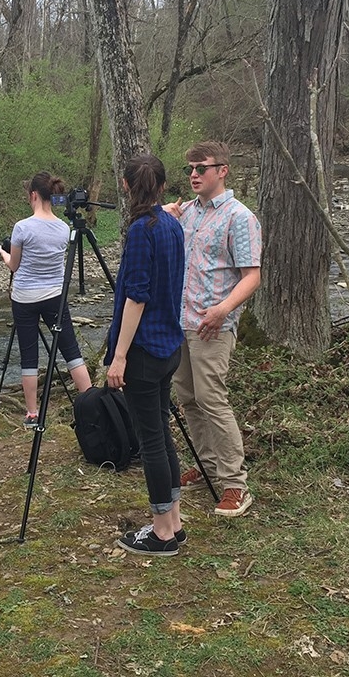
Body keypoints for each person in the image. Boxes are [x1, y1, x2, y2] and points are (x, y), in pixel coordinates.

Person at [166, 141, 262, 517]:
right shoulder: (187, 212)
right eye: (190, 168)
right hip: (181, 322)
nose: (193, 174)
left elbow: (252, 276)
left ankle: (235, 483)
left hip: (213, 326)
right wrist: (166, 213)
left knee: (212, 399)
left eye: (201, 168)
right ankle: (205, 466)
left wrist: (223, 309)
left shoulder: (240, 218)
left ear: (222, 170)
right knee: (187, 396)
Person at [105, 154, 187, 556]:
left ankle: (162, 533)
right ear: (162, 186)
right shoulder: (172, 225)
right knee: (161, 433)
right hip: (169, 344)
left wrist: (118, 356)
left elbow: (136, 296)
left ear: (125, 186)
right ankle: (173, 520)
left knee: (151, 439)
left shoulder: (142, 231)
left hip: (144, 350)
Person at [0, 172, 94, 426]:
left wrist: (3, 254)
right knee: (71, 352)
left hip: (24, 298)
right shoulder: (64, 229)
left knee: (29, 355)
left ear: (33, 195)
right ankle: (93, 406)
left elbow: (15, 266)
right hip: (55, 296)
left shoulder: (22, 227)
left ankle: (32, 414)